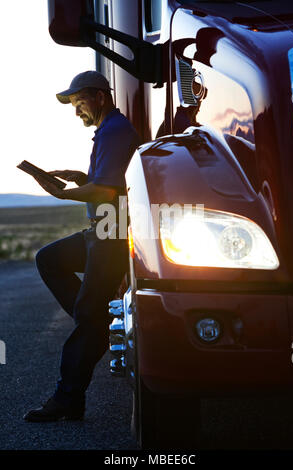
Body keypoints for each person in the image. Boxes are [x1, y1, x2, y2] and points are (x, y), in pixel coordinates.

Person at [23, 71, 140, 422]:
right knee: (49, 259)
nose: (76, 111)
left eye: (79, 103)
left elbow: (107, 193)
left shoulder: (116, 131)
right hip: (103, 228)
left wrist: (64, 192)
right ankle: (96, 325)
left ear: (100, 98)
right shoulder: (108, 130)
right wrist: (81, 178)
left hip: (113, 231)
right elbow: (109, 183)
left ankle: (68, 397)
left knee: (89, 315)